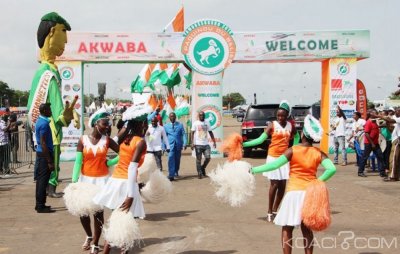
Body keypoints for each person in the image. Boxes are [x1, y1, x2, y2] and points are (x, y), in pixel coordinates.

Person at [252, 115, 336, 254]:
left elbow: (274, 165)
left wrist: (254, 170)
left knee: (287, 228)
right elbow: (332, 169)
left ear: (303, 133)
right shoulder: (318, 153)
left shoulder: (293, 150)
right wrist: (318, 182)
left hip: (293, 194)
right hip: (309, 195)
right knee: (307, 229)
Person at [27, 12, 79, 198]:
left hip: (47, 125)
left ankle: (47, 187)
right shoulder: (47, 72)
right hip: (51, 128)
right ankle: (50, 186)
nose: (65, 43)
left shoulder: (44, 70)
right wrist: (64, 115)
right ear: (51, 32)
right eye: (62, 35)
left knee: (47, 158)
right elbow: (56, 105)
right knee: (52, 158)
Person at [93, 104, 150, 254]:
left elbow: (114, 140)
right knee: (120, 221)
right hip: (126, 184)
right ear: (142, 124)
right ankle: (108, 251)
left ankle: (123, 250)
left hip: (115, 182)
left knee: (120, 219)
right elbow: (132, 168)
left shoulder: (125, 138)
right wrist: (131, 195)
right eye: (146, 122)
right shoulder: (140, 141)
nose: (147, 125)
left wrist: (125, 127)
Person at [71, 109, 119, 254]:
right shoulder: (83, 140)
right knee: (83, 212)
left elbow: (123, 154)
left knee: (98, 213)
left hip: (102, 182)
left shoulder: (108, 141)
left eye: (108, 124)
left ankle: (96, 243)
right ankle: (89, 236)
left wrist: (109, 163)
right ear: (96, 123)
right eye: (105, 123)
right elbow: (78, 162)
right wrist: (74, 182)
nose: (107, 126)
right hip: (85, 180)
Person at [243, 100, 294, 222]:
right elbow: (260, 140)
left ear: (287, 115)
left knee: (282, 186)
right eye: (278, 115)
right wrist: (244, 143)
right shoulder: (272, 125)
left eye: (283, 115)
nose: (280, 118)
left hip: (284, 159)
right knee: (274, 184)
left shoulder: (290, 126)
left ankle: (276, 210)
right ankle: (269, 211)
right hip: (273, 157)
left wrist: (295, 149)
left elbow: (296, 137)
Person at [34, 103, 55, 213]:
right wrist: (49, 161)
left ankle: (39, 204)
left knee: (41, 181)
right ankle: (40, 205)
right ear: (45, 110)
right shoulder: (44, 124)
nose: (51, 111)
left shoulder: (42, 121)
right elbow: (43, 143)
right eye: (49, 109)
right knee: (42, 181)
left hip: (42, 154)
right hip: (44, 155)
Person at [358, 109, 387, 177]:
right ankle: (360, 172)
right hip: (369, 143)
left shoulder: (375, 122)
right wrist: (372, 143)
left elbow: (376, 128)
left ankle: (382, 172)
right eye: (375, 113)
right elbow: (367, 133)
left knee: (380, 156)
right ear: (371, 114)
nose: (376, 114)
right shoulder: (368, 122)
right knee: (365, 157)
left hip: (375, 143)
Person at [191, 111, 217, 179]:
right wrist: (192, 143)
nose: (202, 116)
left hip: (206, 144)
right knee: (198, 159)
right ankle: (199, 172)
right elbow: (192, 133)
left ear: (204, 116)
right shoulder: (195, 123)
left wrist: (214, 141)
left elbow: (210, 132)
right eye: (200, 115)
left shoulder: (207, 122)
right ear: (199, 116)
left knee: (208, 158)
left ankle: (203, 167)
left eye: (203, 115)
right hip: (198, 144)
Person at [378, 107, 400, 181]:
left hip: (397, 140)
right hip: (395, 139)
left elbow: (390, 120)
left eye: (398, 111)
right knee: (396, 159)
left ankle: (392, 176)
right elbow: (391, 128)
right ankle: (396, 176)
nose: (396, 112)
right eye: (396, 111)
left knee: (393, 158)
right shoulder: (397, 120)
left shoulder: (398, 119)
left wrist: (379, 116)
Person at [164, 112, 187, 181]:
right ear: (169, 118)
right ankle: (171, 174)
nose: (172, 118)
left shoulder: (180, 125)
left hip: (178, 145)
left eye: (173, 116)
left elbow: (184, 134)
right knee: (170, 158)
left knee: (177, 160)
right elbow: (164, 137)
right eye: (171, 117)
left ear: (175, 117)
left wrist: (185, 143)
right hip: (170, 146)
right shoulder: (166, 126)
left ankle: (176, 171)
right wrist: (164, 146)